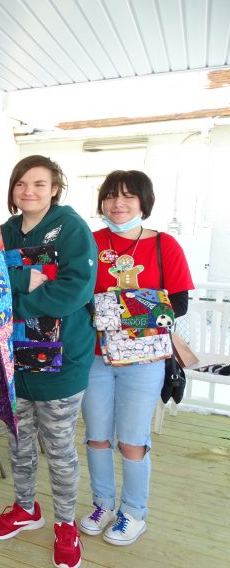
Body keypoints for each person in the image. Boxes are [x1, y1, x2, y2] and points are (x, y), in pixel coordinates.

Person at [0, 155, 97, 568]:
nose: (28, 191)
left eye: (38, 184)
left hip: (62, 364)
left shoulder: (70, 228)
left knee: (59, 447)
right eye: (20, 184)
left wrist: (16, 305)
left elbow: (74, 289)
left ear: (54, 189)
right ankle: (26, 507)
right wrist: (14, 295)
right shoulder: (5, 232)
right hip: (16, 362)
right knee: (18, 442)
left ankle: (65, 525)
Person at [79, 170, 193, 546]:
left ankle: (132, 512)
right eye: (111, 195)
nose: (118, 203)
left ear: (144, 201)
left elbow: (177, 305)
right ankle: (102, 504)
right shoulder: (88, 242)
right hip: (95, 358)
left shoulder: (165, 245)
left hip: (144, 361)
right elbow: (77, 296)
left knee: (132, 440)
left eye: (129, 196)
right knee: (96, 437)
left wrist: (114, 311)